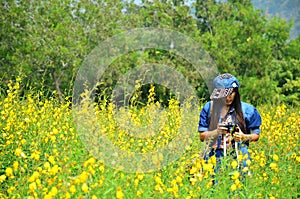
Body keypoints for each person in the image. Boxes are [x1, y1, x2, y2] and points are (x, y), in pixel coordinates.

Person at [198, 73, 262, 167]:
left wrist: (243, 136)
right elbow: (202, 136)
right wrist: (217, 132)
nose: (228, 97)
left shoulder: (248, 110)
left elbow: (256, 135)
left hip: (239, 155)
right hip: (214, 156)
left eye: (231, 93)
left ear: (236, 92)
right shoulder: (209, 108)